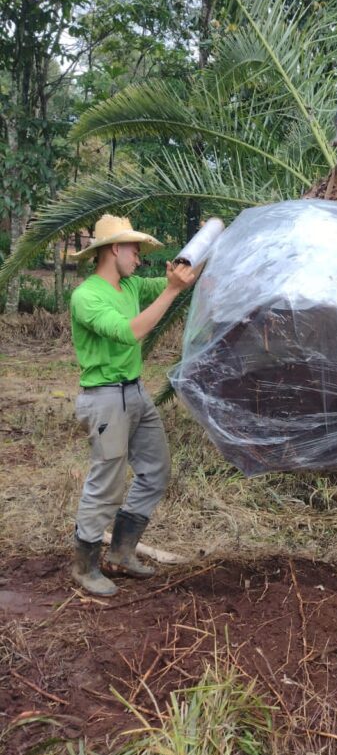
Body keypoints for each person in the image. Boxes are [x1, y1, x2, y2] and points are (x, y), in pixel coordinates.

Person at [68, 214, 198, 597]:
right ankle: (85, 565)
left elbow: (176, 283)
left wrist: (200, 254)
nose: (139, 258)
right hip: (105, 398)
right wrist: (172, 291)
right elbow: (130, 333)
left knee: (156, 470)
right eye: (135, 250)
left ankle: (121, 553)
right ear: (114, 249)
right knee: (105, 484)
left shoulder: (130, 285)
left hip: (136, 393)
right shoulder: (87, 296)